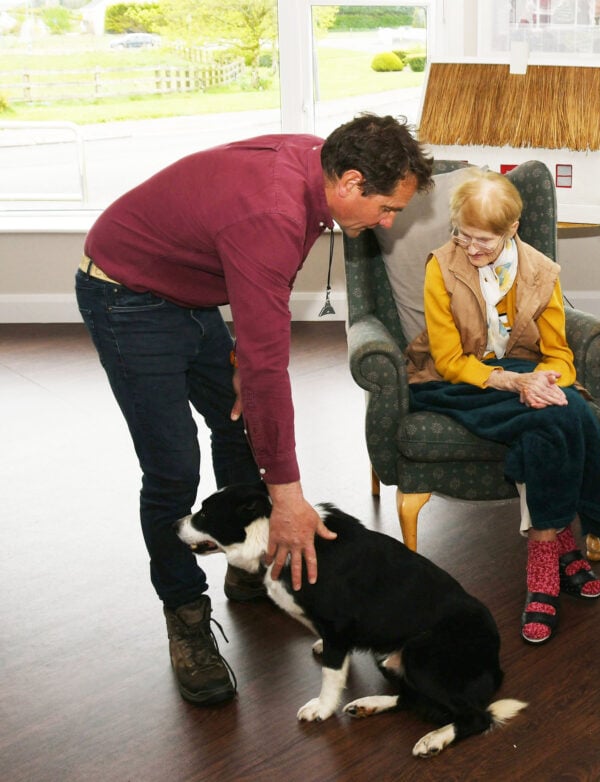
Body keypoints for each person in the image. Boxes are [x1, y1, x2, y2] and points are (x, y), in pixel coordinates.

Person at [75, 113, 434, 704]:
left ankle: (244, 564)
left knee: (241, 427)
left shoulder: (315, 163)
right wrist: (288, 499)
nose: (389, 221)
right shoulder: (274, 213)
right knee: (173, 468)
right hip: (126, 297)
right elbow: (270, 369)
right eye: (388, 208)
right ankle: (186, 615)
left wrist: (245, 354)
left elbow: (264, 290)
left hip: (189, 291)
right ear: (350, 182)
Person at [404, 168, 600, 645]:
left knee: (547, 424)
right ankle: (563, 546)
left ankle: (546, 552)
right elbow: (448, 359)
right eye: (462, 234)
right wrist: (510, 382)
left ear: (512, 230)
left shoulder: (541, 272)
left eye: (482, 239)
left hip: (524, 373)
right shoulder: (441, 266)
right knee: (570, 415)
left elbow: (559, 355)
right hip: (456, 381)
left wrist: (540, 381)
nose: (470, 248)